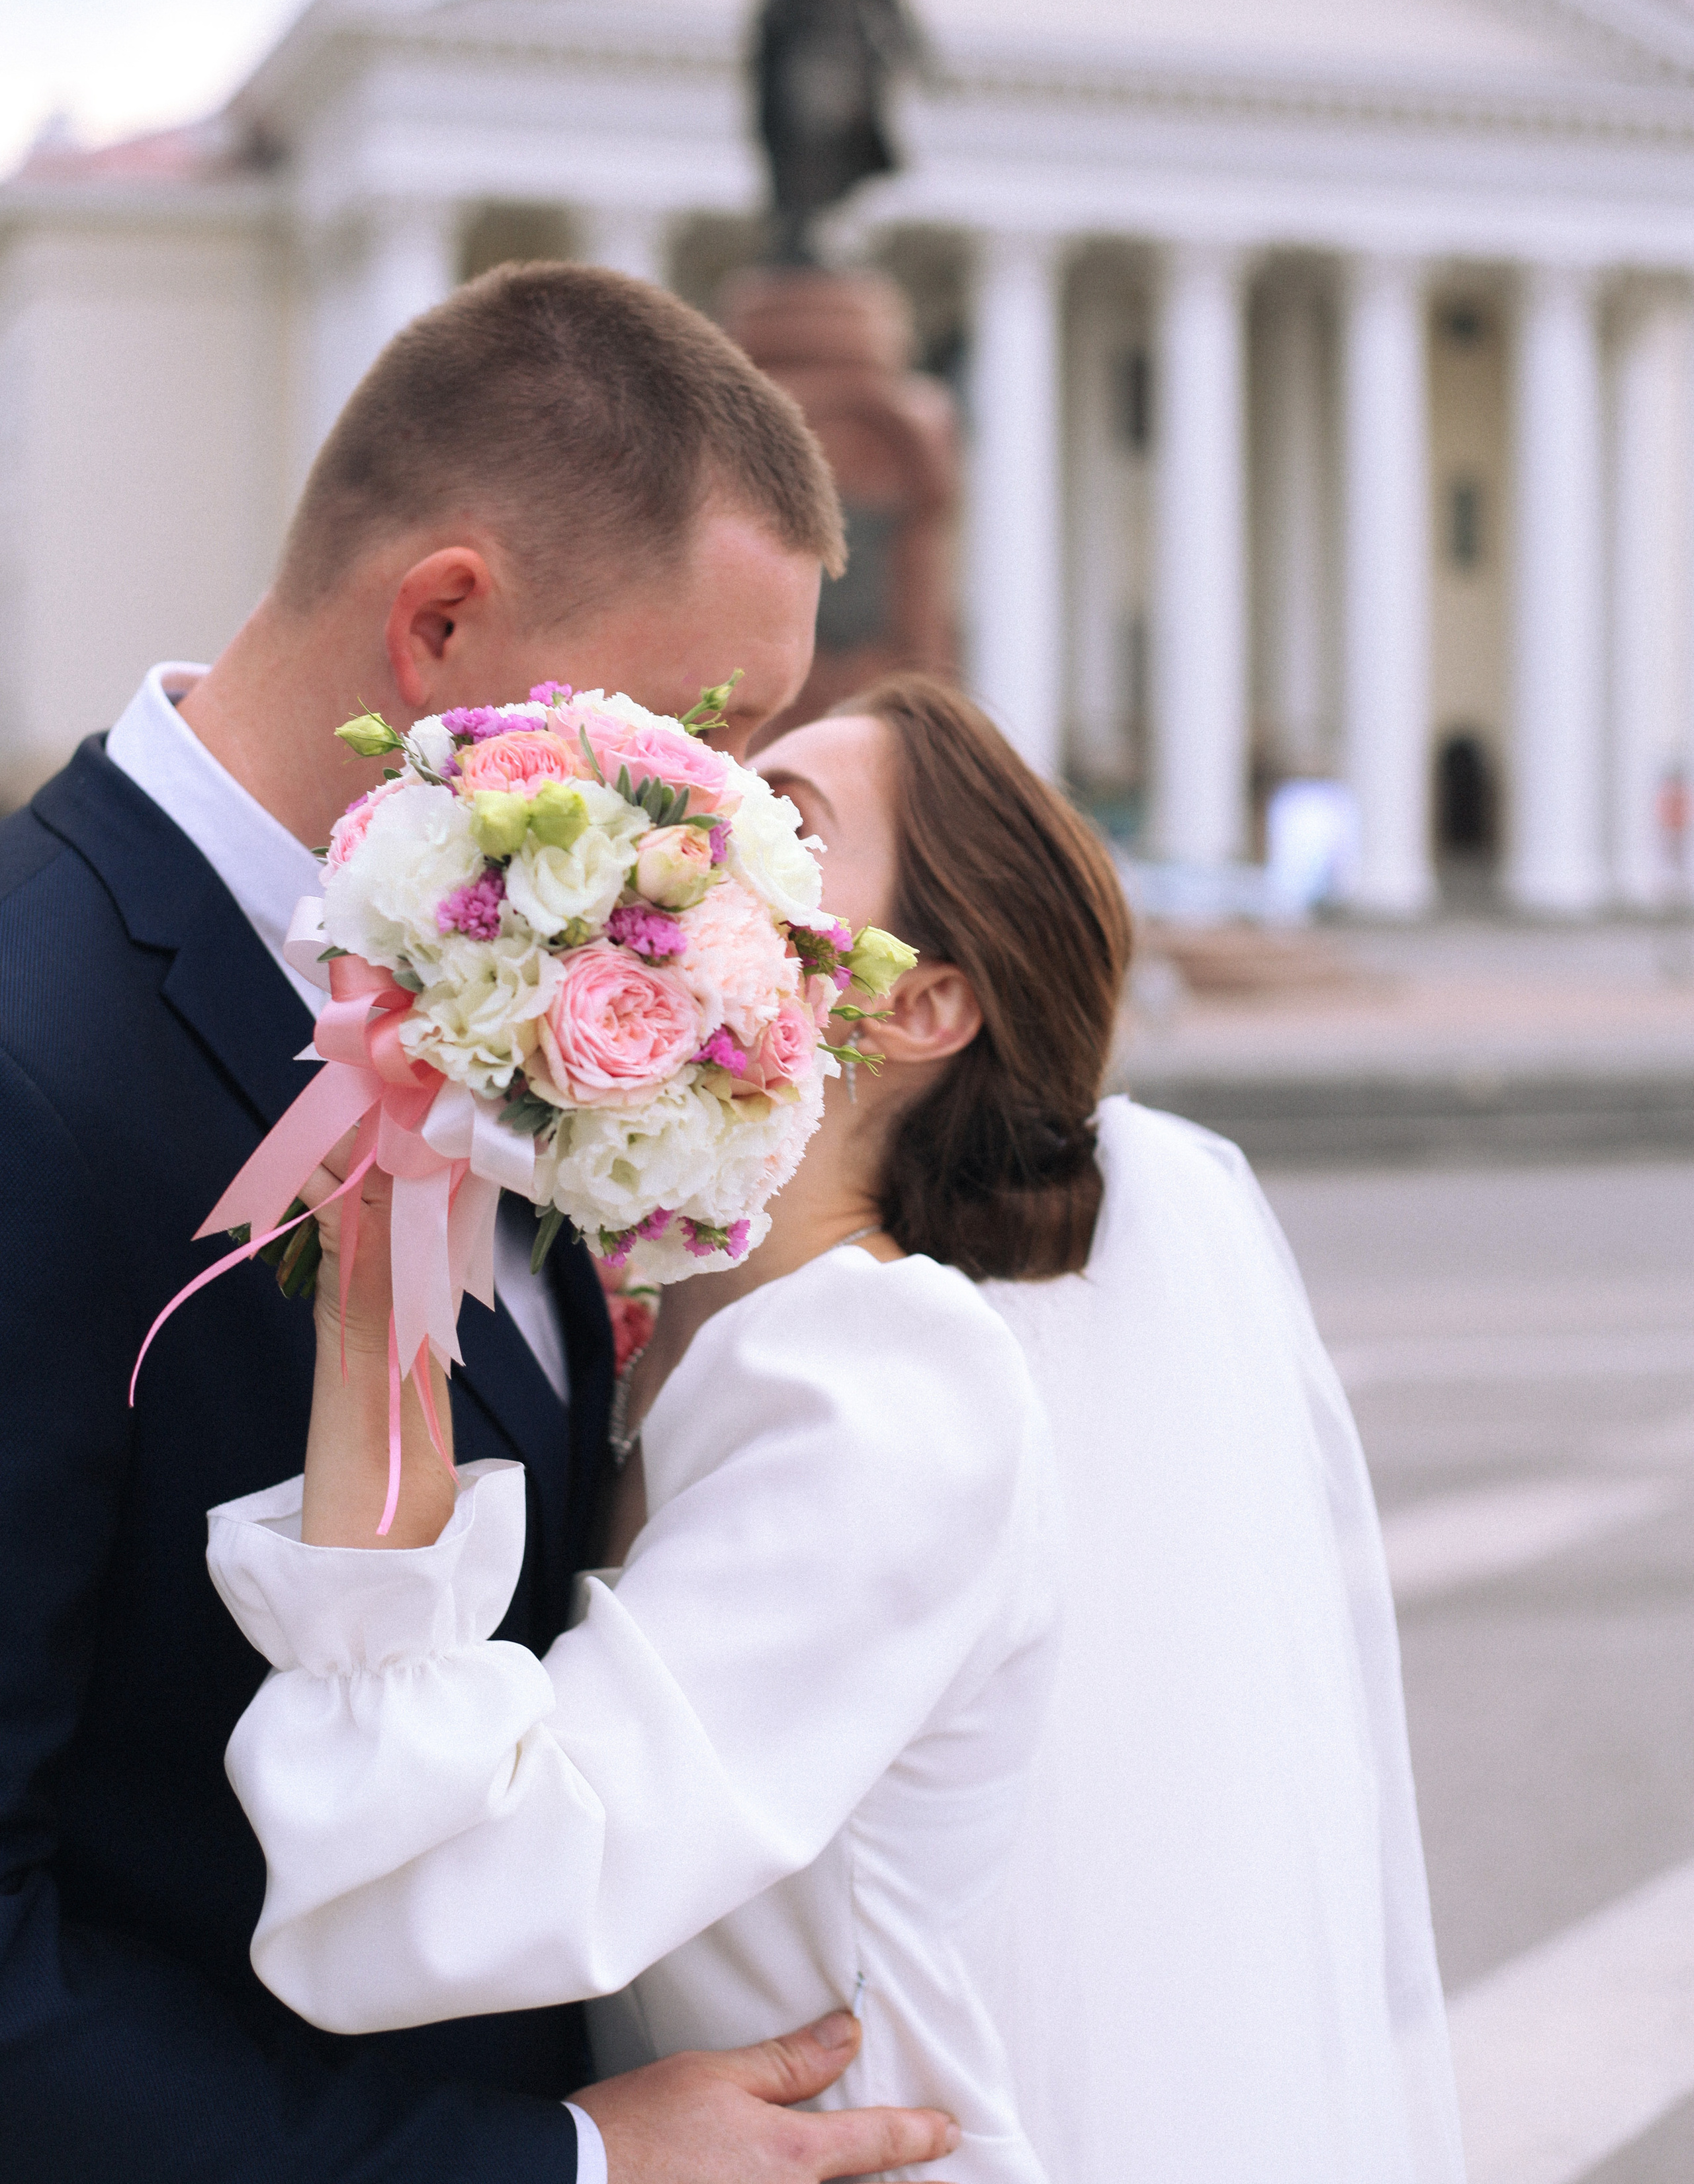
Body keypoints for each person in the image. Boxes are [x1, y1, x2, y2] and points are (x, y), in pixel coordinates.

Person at [205, 675, 1466, 2183]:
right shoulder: (657, 1319)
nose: (695, 840)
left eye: (786, 828)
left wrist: (372, 1318)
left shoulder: (885, 1388)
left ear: (922, 1006)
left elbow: (447, 1886)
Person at [0, 262, 965, 2184]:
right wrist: (559, 2169)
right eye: (691, 730)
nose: (717, 828)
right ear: (441, 623)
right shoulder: (36, 1065)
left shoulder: (515, 983)